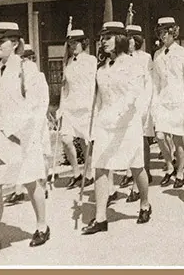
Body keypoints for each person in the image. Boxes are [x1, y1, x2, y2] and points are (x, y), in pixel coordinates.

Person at [0, 23, 50, 259]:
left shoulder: (28, 68)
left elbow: (38, 105)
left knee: (32, 183)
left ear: (14, 43)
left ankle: (42, 226)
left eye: (0, 41)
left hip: (23, 135)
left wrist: (21, 133)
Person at [81, 22, 151, 235]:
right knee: (100, 166)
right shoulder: (101, 69)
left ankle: (145, 204)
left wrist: (118, 113)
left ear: (120, 39)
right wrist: (92, 127)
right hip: (105, 124)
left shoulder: (133, 65)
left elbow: (133, 94)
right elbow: (99, 100)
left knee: (136, 167)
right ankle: (101, 217)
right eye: (102, 38)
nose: (103, 42)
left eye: (108, 37)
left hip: (127, 124)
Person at [4, 44, 53, 204]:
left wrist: (35, 120)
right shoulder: (14, 76)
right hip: (21, 123)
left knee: (41, 153)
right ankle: (18, 190)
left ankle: (43, 186)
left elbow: (43, 102)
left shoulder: (39, 77)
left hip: (37, 121)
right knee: (19, 154)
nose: (22, 61)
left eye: (25, 58)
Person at [152, 17, 184, 188]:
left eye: (166, 32)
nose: (163, 36)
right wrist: (154, 105)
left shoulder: (183, 53)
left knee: (179, 140)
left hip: (179, 103)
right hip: (163, 102)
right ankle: (170, 166)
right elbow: (156, 83)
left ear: (173, 32)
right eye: (160, 32)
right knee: (160, 136)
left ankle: (180, 173)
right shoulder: (158, 54)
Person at [57, 29, 96, 189]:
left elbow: (95, 85)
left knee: (85, 142)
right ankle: (76, 173)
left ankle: (89, 174)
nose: (73, 46)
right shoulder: (67, 62)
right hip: (69, 107)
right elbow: (64, 88)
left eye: (76, 42)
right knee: (66, 140)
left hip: (85, 107)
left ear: (83, 43)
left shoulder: (91, 60)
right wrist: (61, 108)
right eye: (71, 43)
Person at [123, 24, 155, 203]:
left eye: (131, 39)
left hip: (142, 104)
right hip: (128, 107)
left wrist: (145, 106)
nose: (129, 43)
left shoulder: (145, 58)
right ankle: (133, 174)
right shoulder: (122, 58)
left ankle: (144, 173)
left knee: (142, 141)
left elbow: (148, 83)